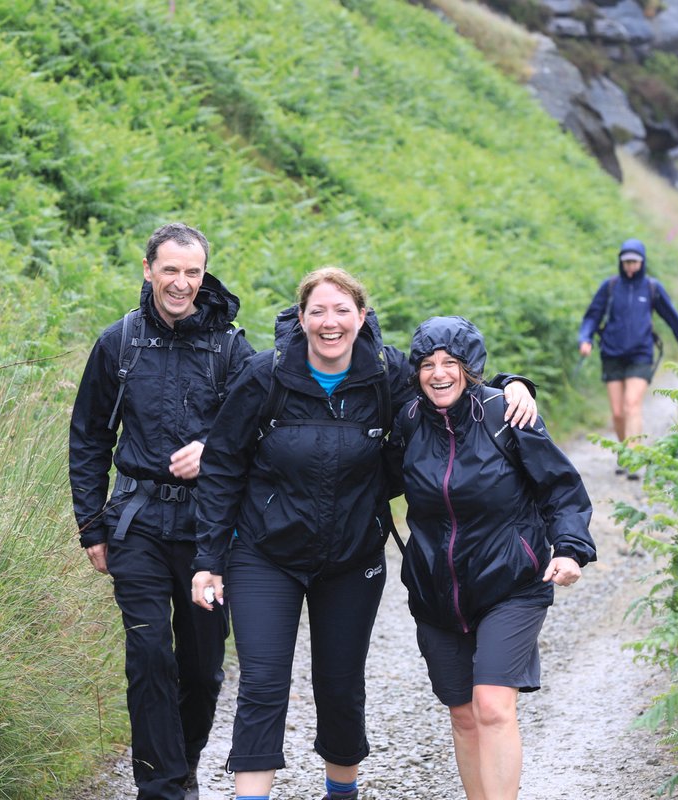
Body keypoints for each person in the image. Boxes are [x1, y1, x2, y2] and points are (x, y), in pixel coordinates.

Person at [191, 267, 537, 800]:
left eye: (342, 310)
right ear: (301, 318)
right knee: (261, 684)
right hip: (266, 553)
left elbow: (449, 382)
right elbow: (220, 467)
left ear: (361, 316)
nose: (330, 322)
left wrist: (515, 385)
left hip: (353, 556)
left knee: (340, 683)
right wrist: (208, 559)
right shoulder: (265, 376)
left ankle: (341, 792)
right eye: (318, 311)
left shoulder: (385, 372)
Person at [69, 224, 256, 800]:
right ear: (148, 269)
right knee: (149, 655)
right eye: (170, 270)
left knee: (201, 671)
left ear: (204, 275)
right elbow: (88, 438)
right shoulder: (118, 343)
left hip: (211, 533)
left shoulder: (231, 346)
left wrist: (215, 450)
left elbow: (263, 432)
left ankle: (182, 764)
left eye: (192, 272)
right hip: (139, 525)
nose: (181, 283)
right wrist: (90, 525)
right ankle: (164, 789)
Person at [386, 315, 596, 800]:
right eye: (428, 364)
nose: (439, 374)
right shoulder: (409, 421)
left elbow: (561, 489)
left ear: (470, 368)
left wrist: (570, 549)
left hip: (512, 584)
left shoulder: (507, 414)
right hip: (437, 590)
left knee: (493, 707)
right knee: (463, 714)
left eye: (451, 363)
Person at [577, 238, 678, 478]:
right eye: (626, 262)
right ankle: (625, 450)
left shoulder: (652, 288)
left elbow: (674, 320)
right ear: (620, 262)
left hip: (640, 354)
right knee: (617, 412)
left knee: (631, 404)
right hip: (611, 354)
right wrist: (585, 339)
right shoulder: (610, 286)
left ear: (642, 262)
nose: (630, 266)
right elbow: (592, 315)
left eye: (635, 262)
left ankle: (633, 458)